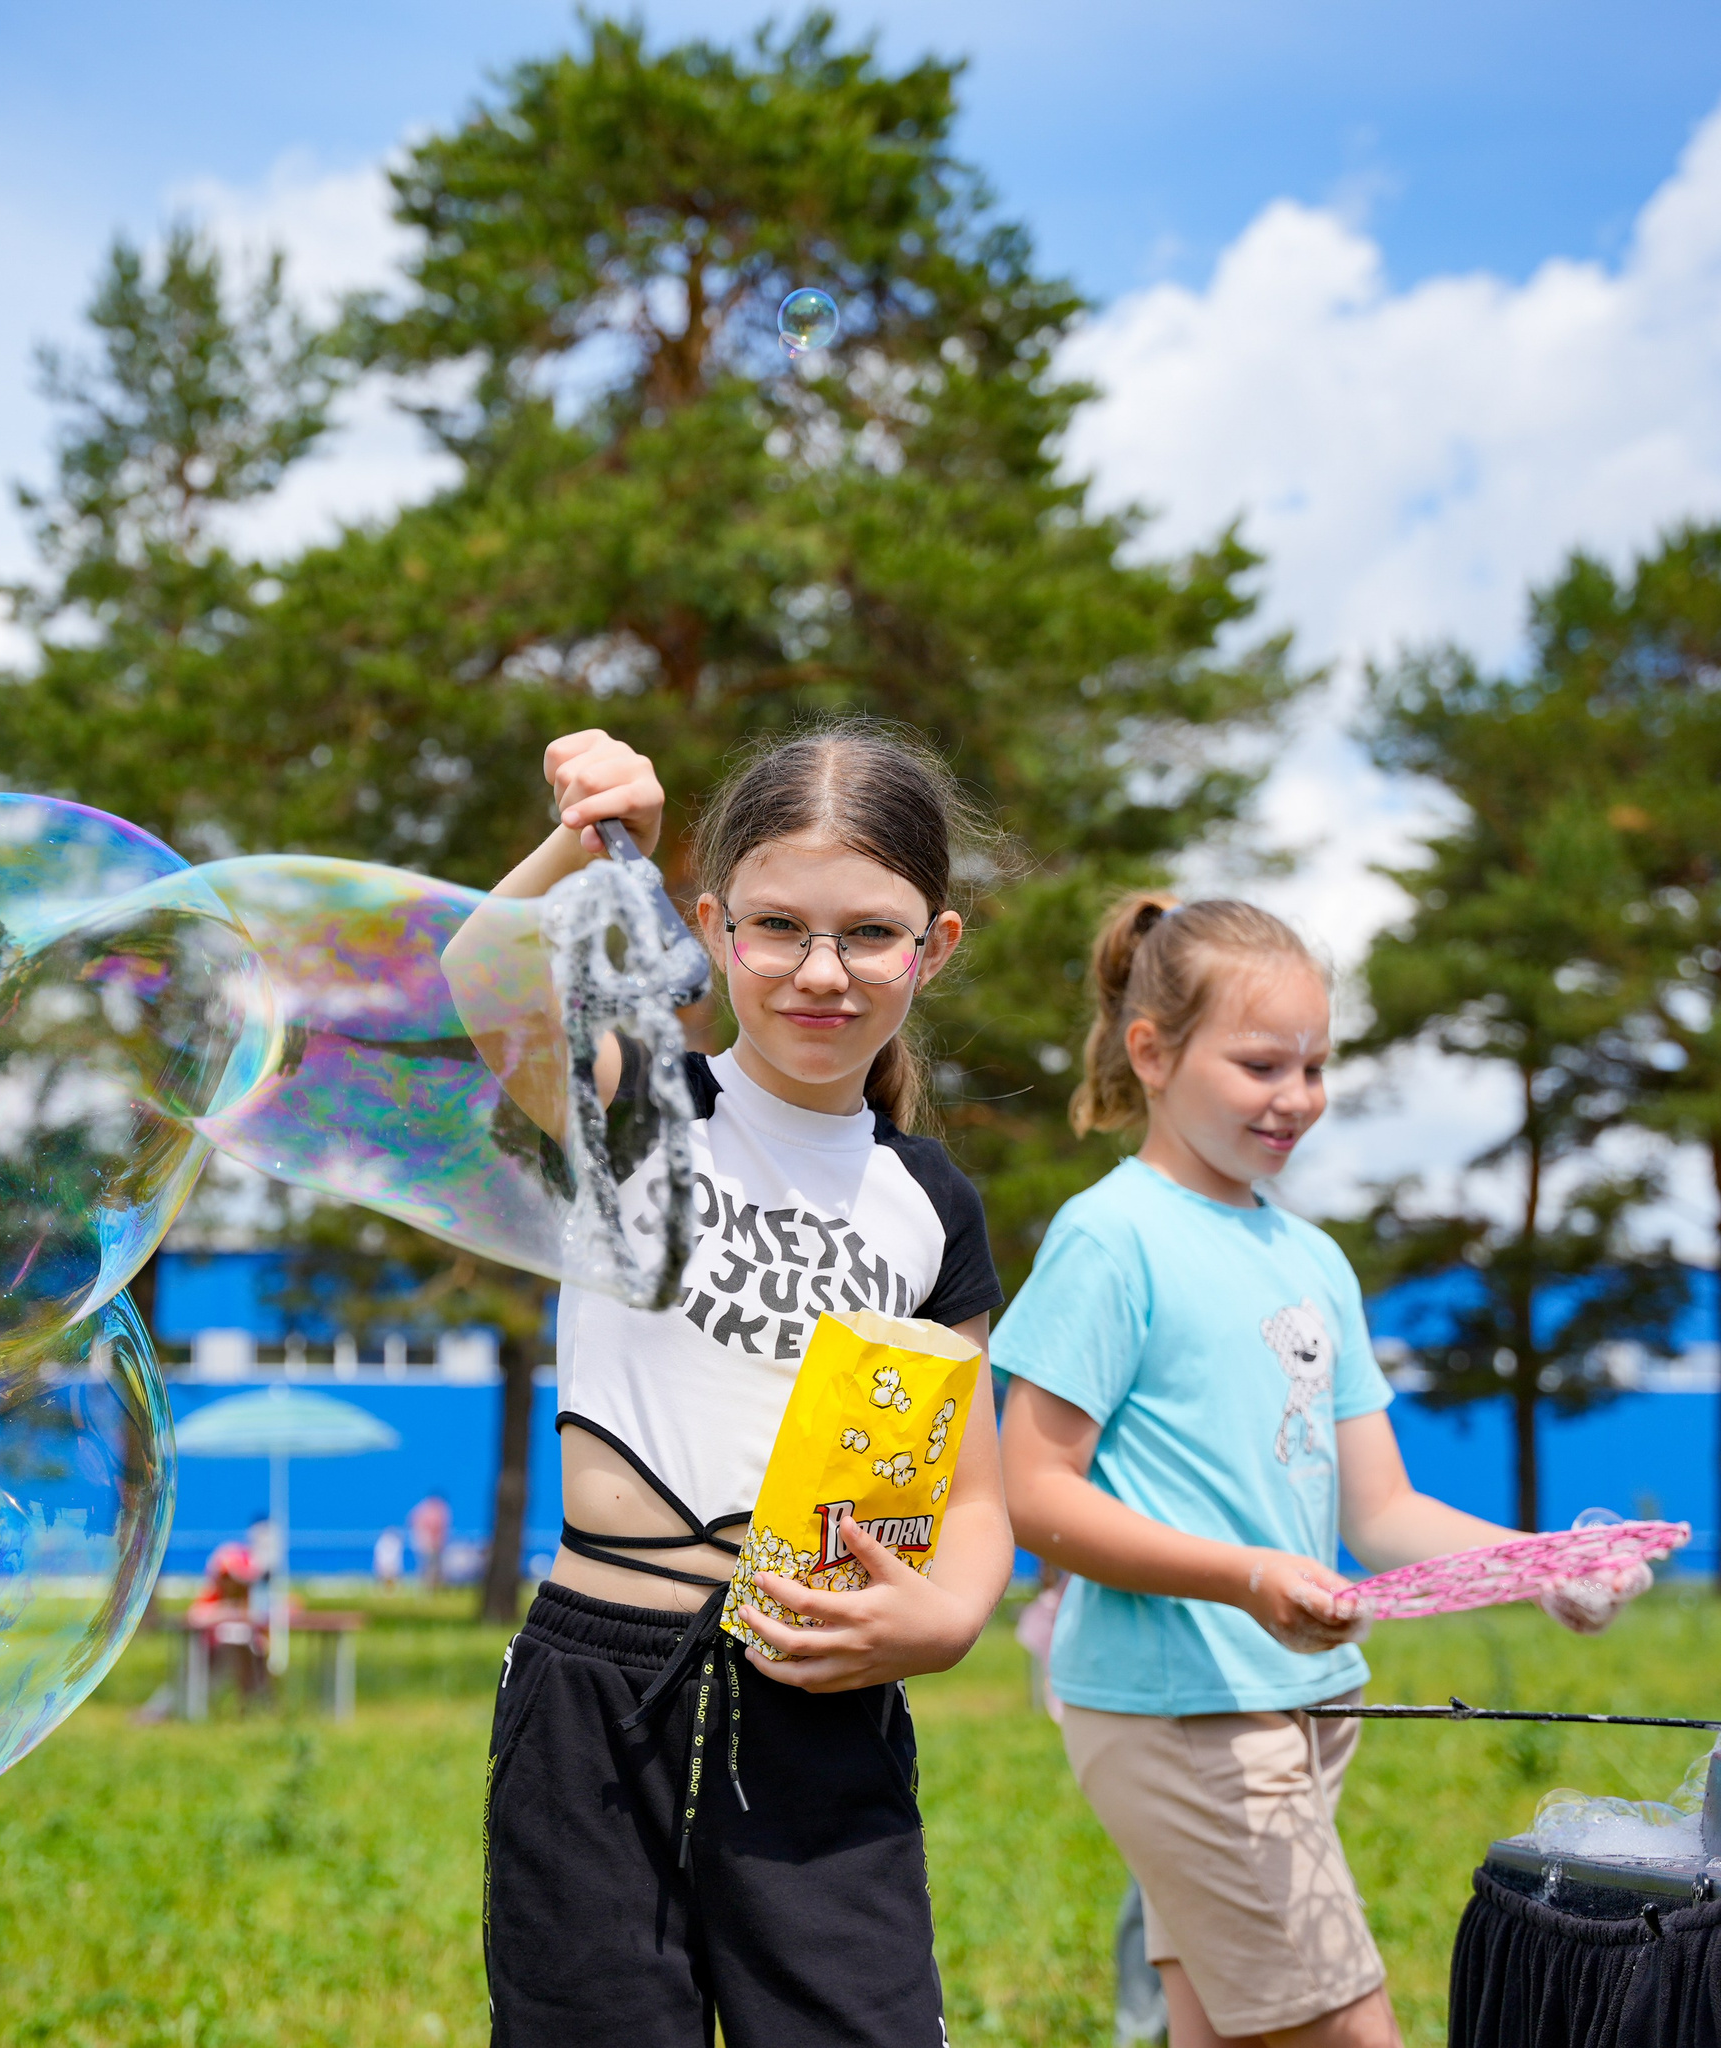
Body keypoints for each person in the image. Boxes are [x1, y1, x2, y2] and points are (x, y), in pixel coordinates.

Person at [994, 893, 1654, 2048]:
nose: (1295, 1096)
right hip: (1182, 1708)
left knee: (1224, 2029)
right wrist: (1246, 1575)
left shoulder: (1312, 1258)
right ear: (1150, 1052)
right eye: (1260, 1064)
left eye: (1313, 1065)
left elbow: (1380, 1508)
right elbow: (1036, 1491)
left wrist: (1540, 1562)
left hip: (1303, 1705)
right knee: (1350, 2029)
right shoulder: (1111, 1236)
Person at [466, 724, 1015, 2047]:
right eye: (777, 927)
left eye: (869, 934)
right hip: (593, 1706)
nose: (821, 971)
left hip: (819, 1714)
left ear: (933, 947)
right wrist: (589, 837)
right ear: (712, 929)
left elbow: (977, 1496)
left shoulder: (929, 1202)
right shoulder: (639, 1098)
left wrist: (947, 1621)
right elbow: (481, 978)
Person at [407, 1492, 450, 1592]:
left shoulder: (441, 1509)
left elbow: (442, 1528)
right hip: (425, 1542)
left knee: (435, 1566)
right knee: (426, 1565)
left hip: (435, 1543)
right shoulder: (426, 1509)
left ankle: (434, 1586)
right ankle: (426, 1586)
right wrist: (424, 1539)